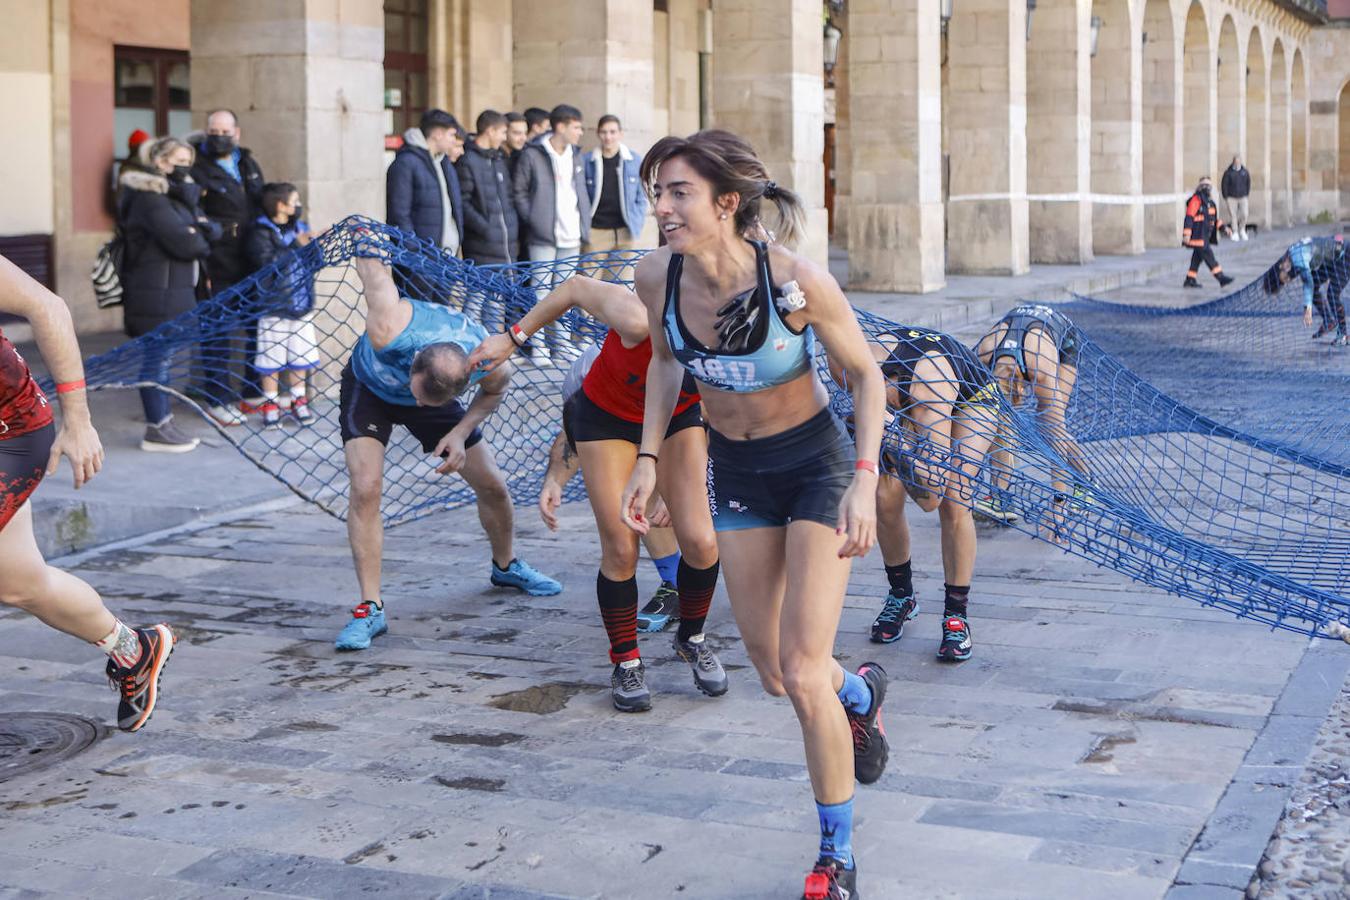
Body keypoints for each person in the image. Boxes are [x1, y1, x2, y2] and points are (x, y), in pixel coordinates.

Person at [618, 130, 889, 899]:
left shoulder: (796, 284)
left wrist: (864, 481)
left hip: (815, 470)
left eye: (678, 193)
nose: (662, 207)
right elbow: (668, 360)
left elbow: (866, 378)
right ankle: (861, 695)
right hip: (736, 474)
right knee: (773, 674)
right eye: (657, 193)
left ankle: (836, 857)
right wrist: (647, 458)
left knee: (804, 672)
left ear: (725, 202)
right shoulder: (655, 277)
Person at [473, 275, 725, 711]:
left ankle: (692, 639)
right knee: (621, 548)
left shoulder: (723, 340)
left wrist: (673, 485)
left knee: (703, 542)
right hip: (608, 423)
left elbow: (719, 418)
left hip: (677, 420)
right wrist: (512, 338)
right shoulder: (633, 317)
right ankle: (626, 661)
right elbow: (571, 288)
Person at [334, 250, 561, 651]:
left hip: (440, 386)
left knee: (492, 485)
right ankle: (371, 607)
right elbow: (372, 264)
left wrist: (459, 432)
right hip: (369, 387)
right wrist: (365, 236)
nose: (419, 407)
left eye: (428, 405)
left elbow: (495, 393)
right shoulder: (390, 326)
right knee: (366, 487)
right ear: (413, 366)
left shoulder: (486, 359)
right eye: (418, 395)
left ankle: (506, 566)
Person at [0, 253, 176, 733]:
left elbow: (49, 307)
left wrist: (78, 421)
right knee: (20, 583)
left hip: (11, 432)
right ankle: (133, 650)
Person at [836, 327, 1001, 662]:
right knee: (884, 495)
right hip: (905, 395)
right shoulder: (852, 365)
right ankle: (902, 596)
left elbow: (929, 498)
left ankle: (956, 615)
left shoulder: (929, 390)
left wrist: (892, 432)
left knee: (954, 498)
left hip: (972, 398)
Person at [538, 345, 682, 632]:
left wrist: (678, 491)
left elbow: (710, 422)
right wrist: (555, 480)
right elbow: (573, 431)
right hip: (640, 408)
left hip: (717, 412)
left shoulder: (663, 370)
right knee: (636, 489)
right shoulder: (579, 378)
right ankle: (678, 584)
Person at [118, 136, 220, 452]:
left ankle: (163, 421)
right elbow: (189, 242)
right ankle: (156, 428)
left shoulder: (174, 197)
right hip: (154, 294)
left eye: (188, 162)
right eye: (178, 161)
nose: (185, 169)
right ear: (160, 162)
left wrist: (198, 224)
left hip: (173, 291)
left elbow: (208, 230)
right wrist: (198, 228)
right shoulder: (150, 199)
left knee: (165, 359)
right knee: (157, 359)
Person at [971, 303, 1091, 523]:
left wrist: (1059, 505)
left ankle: (1085, 480)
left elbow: (1057, 434)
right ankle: (1002, 496)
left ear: (1022, 388)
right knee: (999, 424)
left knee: (1049, 425)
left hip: (1062, 340)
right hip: (1019, 325)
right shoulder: (984, 354)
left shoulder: (1040, 367)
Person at [191, 109, 267, 427]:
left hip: (252, 262)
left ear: (236, 132)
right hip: (216, 266)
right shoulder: (195, 167)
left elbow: (261, 200)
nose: (218, 135)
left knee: (256, 330)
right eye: (213, 130)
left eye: (224, 130)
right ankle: (218, 400)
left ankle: (252, 394)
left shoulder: (247, 162)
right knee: (218, 335)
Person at [512, 104, 592, 364]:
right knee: (540, 292)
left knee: (566, 293)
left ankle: (563, 345)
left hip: (571, 235)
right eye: (576, 127)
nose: (580, 132)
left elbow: (580, 192)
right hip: (543, 235)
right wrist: (534, 220)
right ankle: (539, 348)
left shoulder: (576, 155)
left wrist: (584, 226)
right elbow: (520, 192)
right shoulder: (533, 154)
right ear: (561, 126)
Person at [243, 182, 317, 426]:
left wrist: (317, 246)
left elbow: (313, 263)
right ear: (280, 205)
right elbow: (266, 266)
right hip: (273, 308)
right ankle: (270, 402)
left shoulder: (301, 228)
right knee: (270, 361)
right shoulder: (260, 232)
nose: (298, 205)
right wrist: (296, 246)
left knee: (301, 356)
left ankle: (298, 400)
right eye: (294, 201)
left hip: (301, 305)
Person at [582, 115, 649, 279]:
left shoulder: (633, 160)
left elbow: (642, 196)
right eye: (604, 132)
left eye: (612, 132)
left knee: (619, 282)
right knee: (589, 281)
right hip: (596, 230)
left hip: (625, 230)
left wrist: (637, 221)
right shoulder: (587, 161)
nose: (608, 137)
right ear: (598, 133)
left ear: (620, 134)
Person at [456, 109, 520, 266]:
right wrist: (485, 228)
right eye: (503, 133)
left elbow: (509, 196)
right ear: (490, 131)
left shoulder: (499, 159)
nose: (505, 138)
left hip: (507, 244)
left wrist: (512, 226)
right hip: (481, 244)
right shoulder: (467, 160)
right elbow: (463, 202)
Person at [1266, 236, 1350, 345]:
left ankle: (1343, 335)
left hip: (1345, 255)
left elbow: (1308, 283)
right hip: (1331, 258)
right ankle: (1329, 321)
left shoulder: (1297, 260)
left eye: (1285, 279)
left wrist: (1308, 307)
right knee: (1315, 287)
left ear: (1281, 267)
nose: (1287, 281)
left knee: (1332, 295)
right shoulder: (1290, 254)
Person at [1182, 177, 1235, 289]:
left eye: (1208, 185)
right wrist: (1186, 234)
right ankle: (1221, 278)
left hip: (1205, 236)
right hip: (1198, 236)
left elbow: (1214, 220)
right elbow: (1189, 217)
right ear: (1199, 186)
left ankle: (1190, 279)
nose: (1206, 187)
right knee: (1209, 257)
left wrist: (1224, 228)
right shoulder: (1196, 200)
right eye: (1204, 185)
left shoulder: (1210, 203)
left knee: (1196, 258)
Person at [1221, 155, 1250, 241]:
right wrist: (1225, 196)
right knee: (1233, 215)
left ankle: (1242, 229)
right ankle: (1235, 232)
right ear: (1233, 162)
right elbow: (1224, 184)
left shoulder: (1244, 172)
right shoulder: (1228, 172)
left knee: (1245, 214)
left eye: (1238, 161)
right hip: (1231, 197)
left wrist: (1246, 193)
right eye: (1236, 161)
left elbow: (1248, 183)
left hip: (1243, 196)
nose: (1237, 163)